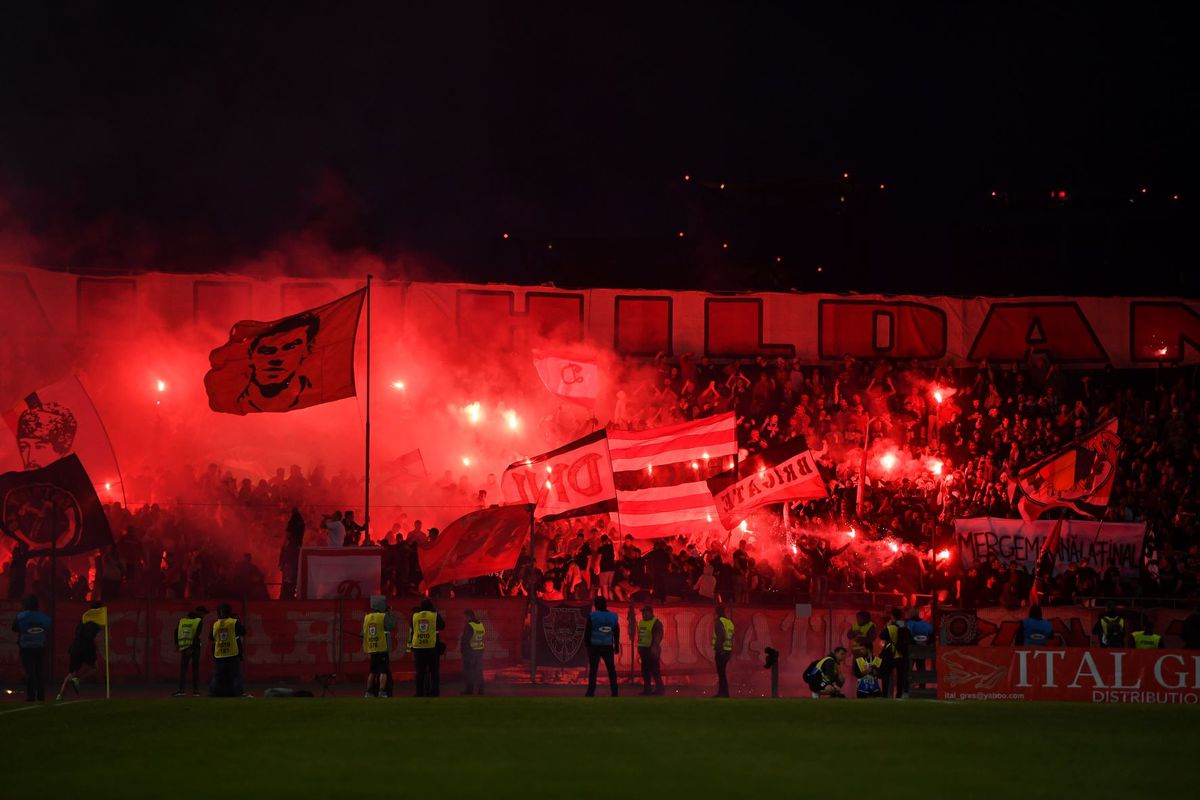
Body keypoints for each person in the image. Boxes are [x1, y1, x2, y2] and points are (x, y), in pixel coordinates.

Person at [236, 312, 319, 413]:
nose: (277, 359)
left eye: (290, 348)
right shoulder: (237, 397)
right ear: (250, 355)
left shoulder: (317, 390)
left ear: (308, 350)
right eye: (267, 351)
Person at [12, 595, 51, 702]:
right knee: (39, 671)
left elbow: (14, 628)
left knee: (30, 672)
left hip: (26, 646)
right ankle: (41, 695)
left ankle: (31, 696)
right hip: (40, 646)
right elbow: (47, 628)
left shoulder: (21, 616)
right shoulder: (44, 617)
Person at [407, 598, 445, 697]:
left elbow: (412, 627)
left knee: (420, 673)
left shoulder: (415, 616)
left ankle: (419, 693)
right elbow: (442, 626)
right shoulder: (434, 615)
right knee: (434, 672)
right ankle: (435, 693)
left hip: (418, 648)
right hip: (432, 648)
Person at [584, 596, 620, 697]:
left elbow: (588, 631)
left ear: (596, 605)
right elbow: (616, 631)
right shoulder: (613, 616)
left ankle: (590, 692)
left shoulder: (592, 616)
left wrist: (587, 644)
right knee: (611, 669)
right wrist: (616, 645)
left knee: (593, 670)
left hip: (594, 646)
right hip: (607, 645)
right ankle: (614, 692)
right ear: (605, 604)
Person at [209, 603, 247, 697]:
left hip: (219, 654)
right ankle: (238, 693)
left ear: (220, 612)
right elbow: (243, 632)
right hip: (232, 653)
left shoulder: (216, 624)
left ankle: (213, 693)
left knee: (218, 676)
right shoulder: (233, 622)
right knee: (236, 675)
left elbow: (211, 637)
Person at [363, 596, 397, 698]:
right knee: (383, 671)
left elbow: (363, 632)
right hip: (382, 647)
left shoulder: (367, 617)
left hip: (372, 647)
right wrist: (390, 614)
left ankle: (369, 692)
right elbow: (392, 626)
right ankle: (382, 691)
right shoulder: (383, 616)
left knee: (372, 671)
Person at [174, 606, 208, 696]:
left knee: (183, 669)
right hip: (194, 647)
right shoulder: (198, 621)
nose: (204, 615)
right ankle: (196, 691)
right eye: (204, 613)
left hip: (184, 646)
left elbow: (176, 632)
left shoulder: (182, 621)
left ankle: (181, 690)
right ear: (200, 612)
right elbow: (196, 635)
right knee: (195, 669)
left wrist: (177, 644)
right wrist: (191, 648)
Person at [880, 607, 911, 699]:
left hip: (892, 654)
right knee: (900, 676)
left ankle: (885, 694)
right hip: (901, 654)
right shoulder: (905, 626)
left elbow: (882, 635)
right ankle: (899, 695)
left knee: (886, 674)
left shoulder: (891, 627)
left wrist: (887, 626)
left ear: (892, 616)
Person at [637, 604, 664, 695]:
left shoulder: (656, 623)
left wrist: (654, 647)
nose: (643, 614)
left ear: (650, 613)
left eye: (645, 612)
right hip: (644, 650)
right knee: (645, 671)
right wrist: (640, 648)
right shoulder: (642, 622)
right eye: (643, 612)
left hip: (652, 650)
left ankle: (659, 689)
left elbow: (658, 636)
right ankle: (648, 689)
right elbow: (641, 636)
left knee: (655, 670)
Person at [460, 609, 486, 695]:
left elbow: (465, 639)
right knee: (478, 670)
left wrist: (463, 650)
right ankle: (481, 689)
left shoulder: (469, 625)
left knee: (469, 671)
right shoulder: (480, 625)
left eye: (465, 617)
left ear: (468, 616)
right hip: (479, 650)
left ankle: (469, 690)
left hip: (470, 651)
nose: (464, 619)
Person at [712, 604, 734, 698]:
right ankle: (723, 693)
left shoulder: (719, 622)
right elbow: (732, 636)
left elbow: (721, 636)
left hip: (721, 651)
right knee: (722, 673)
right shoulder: (729, 622)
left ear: (717, 612)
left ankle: (723, 693)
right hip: (728, 650)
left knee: (721, 673)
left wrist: (719, 649)